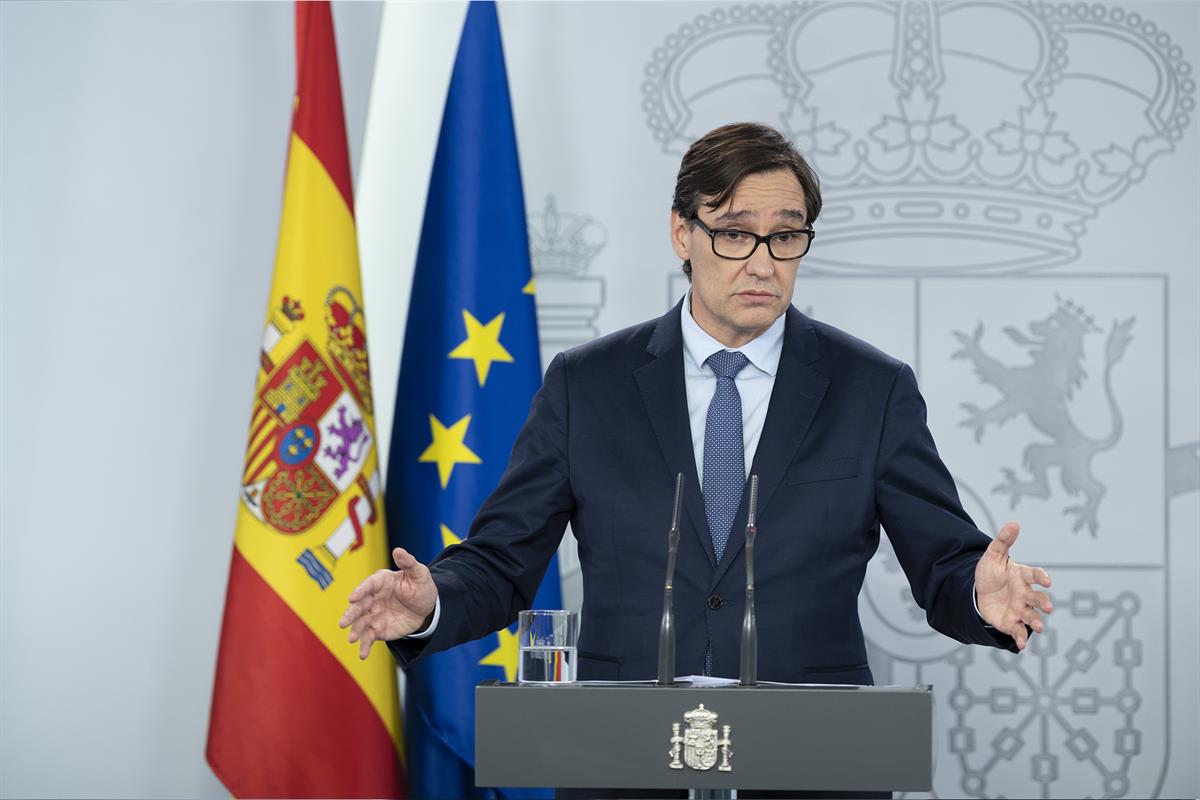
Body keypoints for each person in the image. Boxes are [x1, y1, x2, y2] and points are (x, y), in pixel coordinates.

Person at [340, 121, 1052, 692]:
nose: (764, 261)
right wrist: (431, 605)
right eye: (735, 232)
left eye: (787, 234)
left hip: (812, 754)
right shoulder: (586, 385)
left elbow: (945, 562)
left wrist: (980, 597)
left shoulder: (872, 389)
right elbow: (502, 561)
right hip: (621, 755)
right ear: (683, 232)